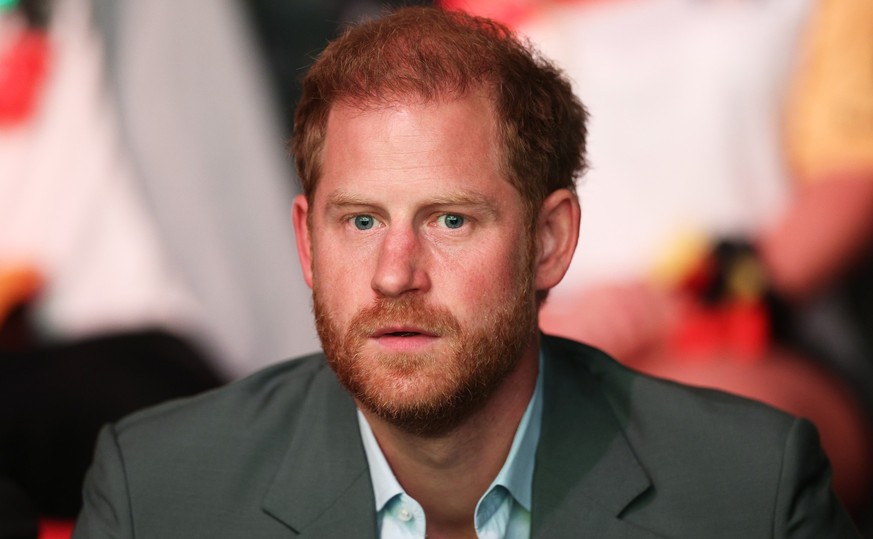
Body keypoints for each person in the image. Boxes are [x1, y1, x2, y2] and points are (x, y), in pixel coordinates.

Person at [72, 6, 858, 538]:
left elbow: (849, 174)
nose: (393, 273)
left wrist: (675, 306)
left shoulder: (754, 482)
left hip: (737, 318)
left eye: (448, 220)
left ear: (551, 240)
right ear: (307, 245)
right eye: (360, 221)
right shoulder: (155, 489)